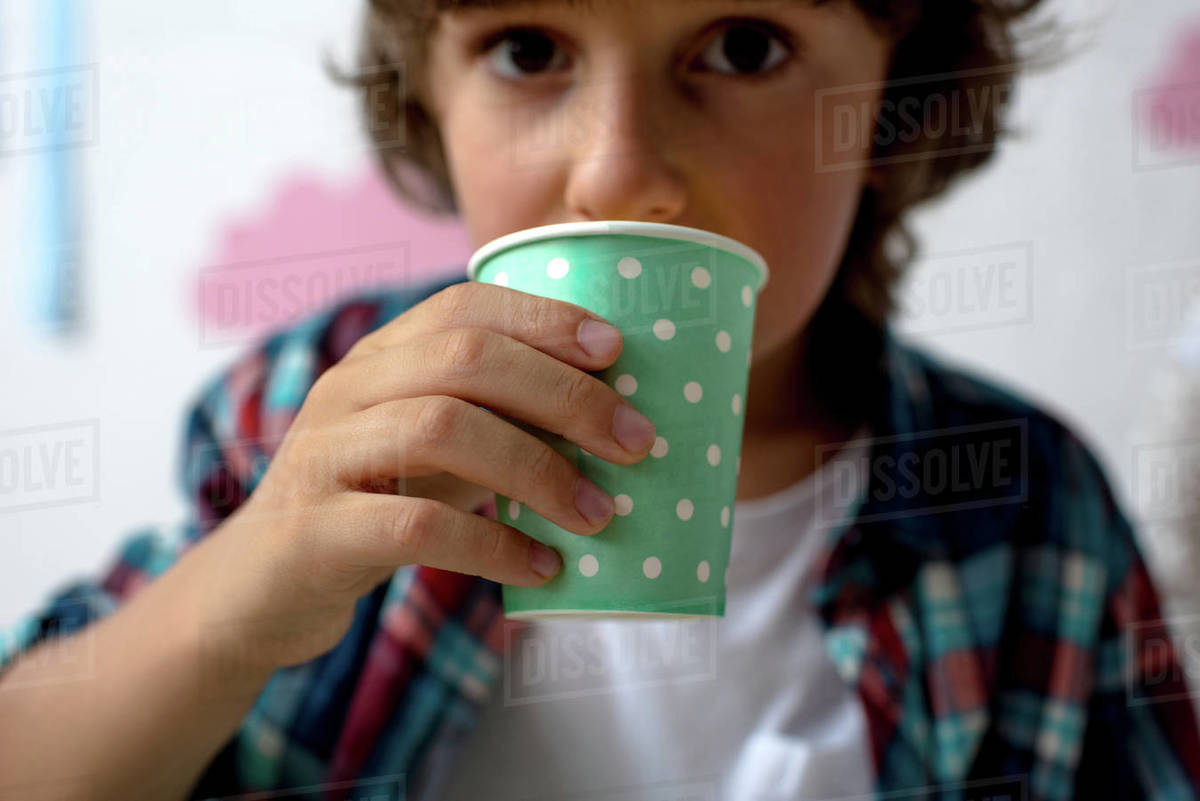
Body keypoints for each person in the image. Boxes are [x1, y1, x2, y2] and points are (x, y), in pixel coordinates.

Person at [3, 1, 1199, 799]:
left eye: (741, 46)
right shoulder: (307, 414)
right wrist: (244, 595)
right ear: (428, 90)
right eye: (528, 49)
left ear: (896, 97)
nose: (617, 169)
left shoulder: (1022, 502)